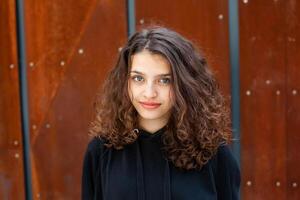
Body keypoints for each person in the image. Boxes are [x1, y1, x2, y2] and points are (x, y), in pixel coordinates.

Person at [81, 26, 240, 200]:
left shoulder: (214, 153)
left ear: (185, 85)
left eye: (164, 80)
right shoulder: (101, 150)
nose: (149, 93)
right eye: (138, 78)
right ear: (124, 81)